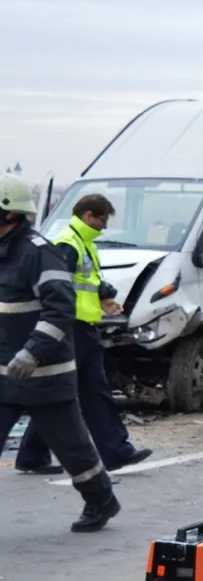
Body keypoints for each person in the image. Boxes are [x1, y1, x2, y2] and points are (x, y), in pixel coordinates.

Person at [0, 173, 121, 531]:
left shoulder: (38, 253)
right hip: (5, 374)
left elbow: (61, 309)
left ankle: (102, 501)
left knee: (74, 450)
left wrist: (32, 353)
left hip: (45, 377)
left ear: (9, 214)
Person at [16, 193, 153, 474]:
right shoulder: (69, 243)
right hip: (72, 329)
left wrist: (104, 295)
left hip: (81, 327)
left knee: (69, 392)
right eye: (102, 220)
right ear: (88, 215)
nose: (104, 227)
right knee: (90, 392)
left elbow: (85, 281)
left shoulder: (82, 242)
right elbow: (59, 287)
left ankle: (32, 455)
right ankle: (116, 451)